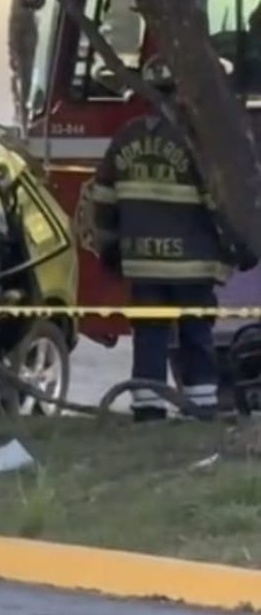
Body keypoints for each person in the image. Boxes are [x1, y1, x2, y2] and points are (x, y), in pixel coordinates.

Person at [91, 56, 255, 422]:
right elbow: (219, 202)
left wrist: (109, 247)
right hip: (191, 263)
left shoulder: (126, 137)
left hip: (142, 262)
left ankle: (148, 407)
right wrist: (240, 244)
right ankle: (201, 407)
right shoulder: (198, 141)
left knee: (149, 333)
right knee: (196, 332)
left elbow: (102, 197)